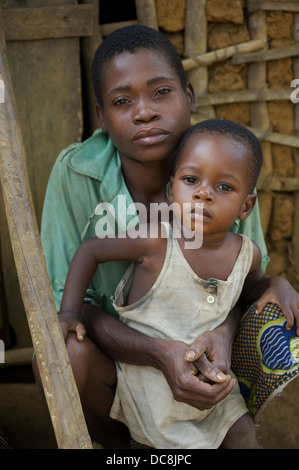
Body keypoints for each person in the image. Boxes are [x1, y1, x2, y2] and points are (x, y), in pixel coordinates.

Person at [34, 25, 299, 448]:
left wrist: (252, 308)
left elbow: (238, 288)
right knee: (65, 352)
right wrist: (160, 355)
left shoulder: (225, 165)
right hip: (117, 358)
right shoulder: (76, 172)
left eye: (161, 92)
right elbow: (70, 304)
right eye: (123, 101)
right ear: (101, 116)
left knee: (279, 325)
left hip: (206, 357)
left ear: (189, 97)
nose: (144, 112)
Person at [59, 119, 269, 449]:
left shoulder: (247, 254)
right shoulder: (157, 240)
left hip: (215, 388)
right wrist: (69, 312)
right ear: (172, 191)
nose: (204, 193)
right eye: (191, 180)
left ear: (246, 206)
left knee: (247, 438)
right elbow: (91, 250)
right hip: (150, 390)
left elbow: (252, 290)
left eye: (224, 187)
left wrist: (280, 284)